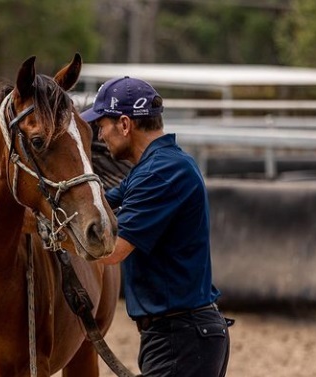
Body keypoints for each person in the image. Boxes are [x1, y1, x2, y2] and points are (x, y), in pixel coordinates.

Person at [81, 76, 231, 377]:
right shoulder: (155, 167)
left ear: (125, 125)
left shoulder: (161, 173)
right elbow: (103, 203)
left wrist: (54, 236)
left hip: (180, 338)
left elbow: (112, 250)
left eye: (103, 125)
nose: (100, 134)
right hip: (179, 336)